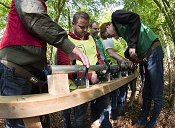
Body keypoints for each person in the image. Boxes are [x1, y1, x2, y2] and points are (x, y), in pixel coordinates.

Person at [0, 0, 89, 128]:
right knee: (18, 124)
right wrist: (69, 47)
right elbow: (36, 19)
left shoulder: (41, 3)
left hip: (33, 75)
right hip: (15, 72)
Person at [106, 10, 164, 128]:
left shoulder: (116, 17)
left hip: (154, 51)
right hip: (146, 59)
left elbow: (135, 17)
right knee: (147, 92)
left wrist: (132, 46)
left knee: (157, 92)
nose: (110, 37)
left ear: (108, 26)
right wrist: (130, 54)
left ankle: (151, 124)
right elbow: (132, 40)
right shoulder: (122, 32)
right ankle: (142, 120)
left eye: (108, 34)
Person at [56, 11, 108, 128]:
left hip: (92, 85)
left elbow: (98, 57)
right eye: (81, 27)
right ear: (73, 24)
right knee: (73, 117)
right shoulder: (65, 40)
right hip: (74, 88)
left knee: (83, 118)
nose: (85, 30)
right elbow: (65, 66)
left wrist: (101, 69)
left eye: (86, 27)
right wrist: (89, 76)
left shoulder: (91, 39)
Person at [100, 22, 133, 123]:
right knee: (115, 94)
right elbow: (111, 53)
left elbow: (119, 53)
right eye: (111, 26)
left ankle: (119, 113)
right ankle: (114, 116)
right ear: (107, 28)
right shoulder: (107, 39)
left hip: (122, 68)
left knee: (122, 92)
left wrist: (126, 61)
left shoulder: (114, 39)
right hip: (115, 69)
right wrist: (126, 61)